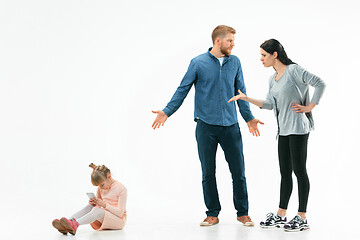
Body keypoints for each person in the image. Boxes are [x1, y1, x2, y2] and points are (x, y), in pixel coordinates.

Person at [152, 25, 263, 227]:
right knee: (208, 172)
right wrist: (166, 111)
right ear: (218, 41)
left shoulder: (235, 62)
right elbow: (182, 89)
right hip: (206, 126)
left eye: (233, 40)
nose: (233, 44)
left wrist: (248, 118)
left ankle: (243, 213)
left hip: (231, 126)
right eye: (230, 40)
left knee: (238, 172)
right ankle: (212, 213)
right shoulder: (198, 63)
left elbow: (241, 92)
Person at [229, 39, 326, 232]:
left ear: (275, 55)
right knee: (285, 173)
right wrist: (246, 98)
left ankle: (302, 217)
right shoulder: (272, 79)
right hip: (283, 131)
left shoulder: (294, 71)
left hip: (298, 129)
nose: (261, 59)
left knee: (299, 171)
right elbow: (270, 104)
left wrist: (309, 107)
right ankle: (281, 215)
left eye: (264, 55)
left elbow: (320, 83)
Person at [52, 163, 127, 235]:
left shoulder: (121, 188)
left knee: (96, 210)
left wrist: (104, 205)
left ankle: (75, 223)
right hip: (105, 216)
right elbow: (98, 208)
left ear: (109, 176)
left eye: (102, 185)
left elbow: (120, 213)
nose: (100, 188)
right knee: (90, 207)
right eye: (98, 186)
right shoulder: (100, 189)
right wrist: (94, 203)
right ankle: (68, 223)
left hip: (118, 220)